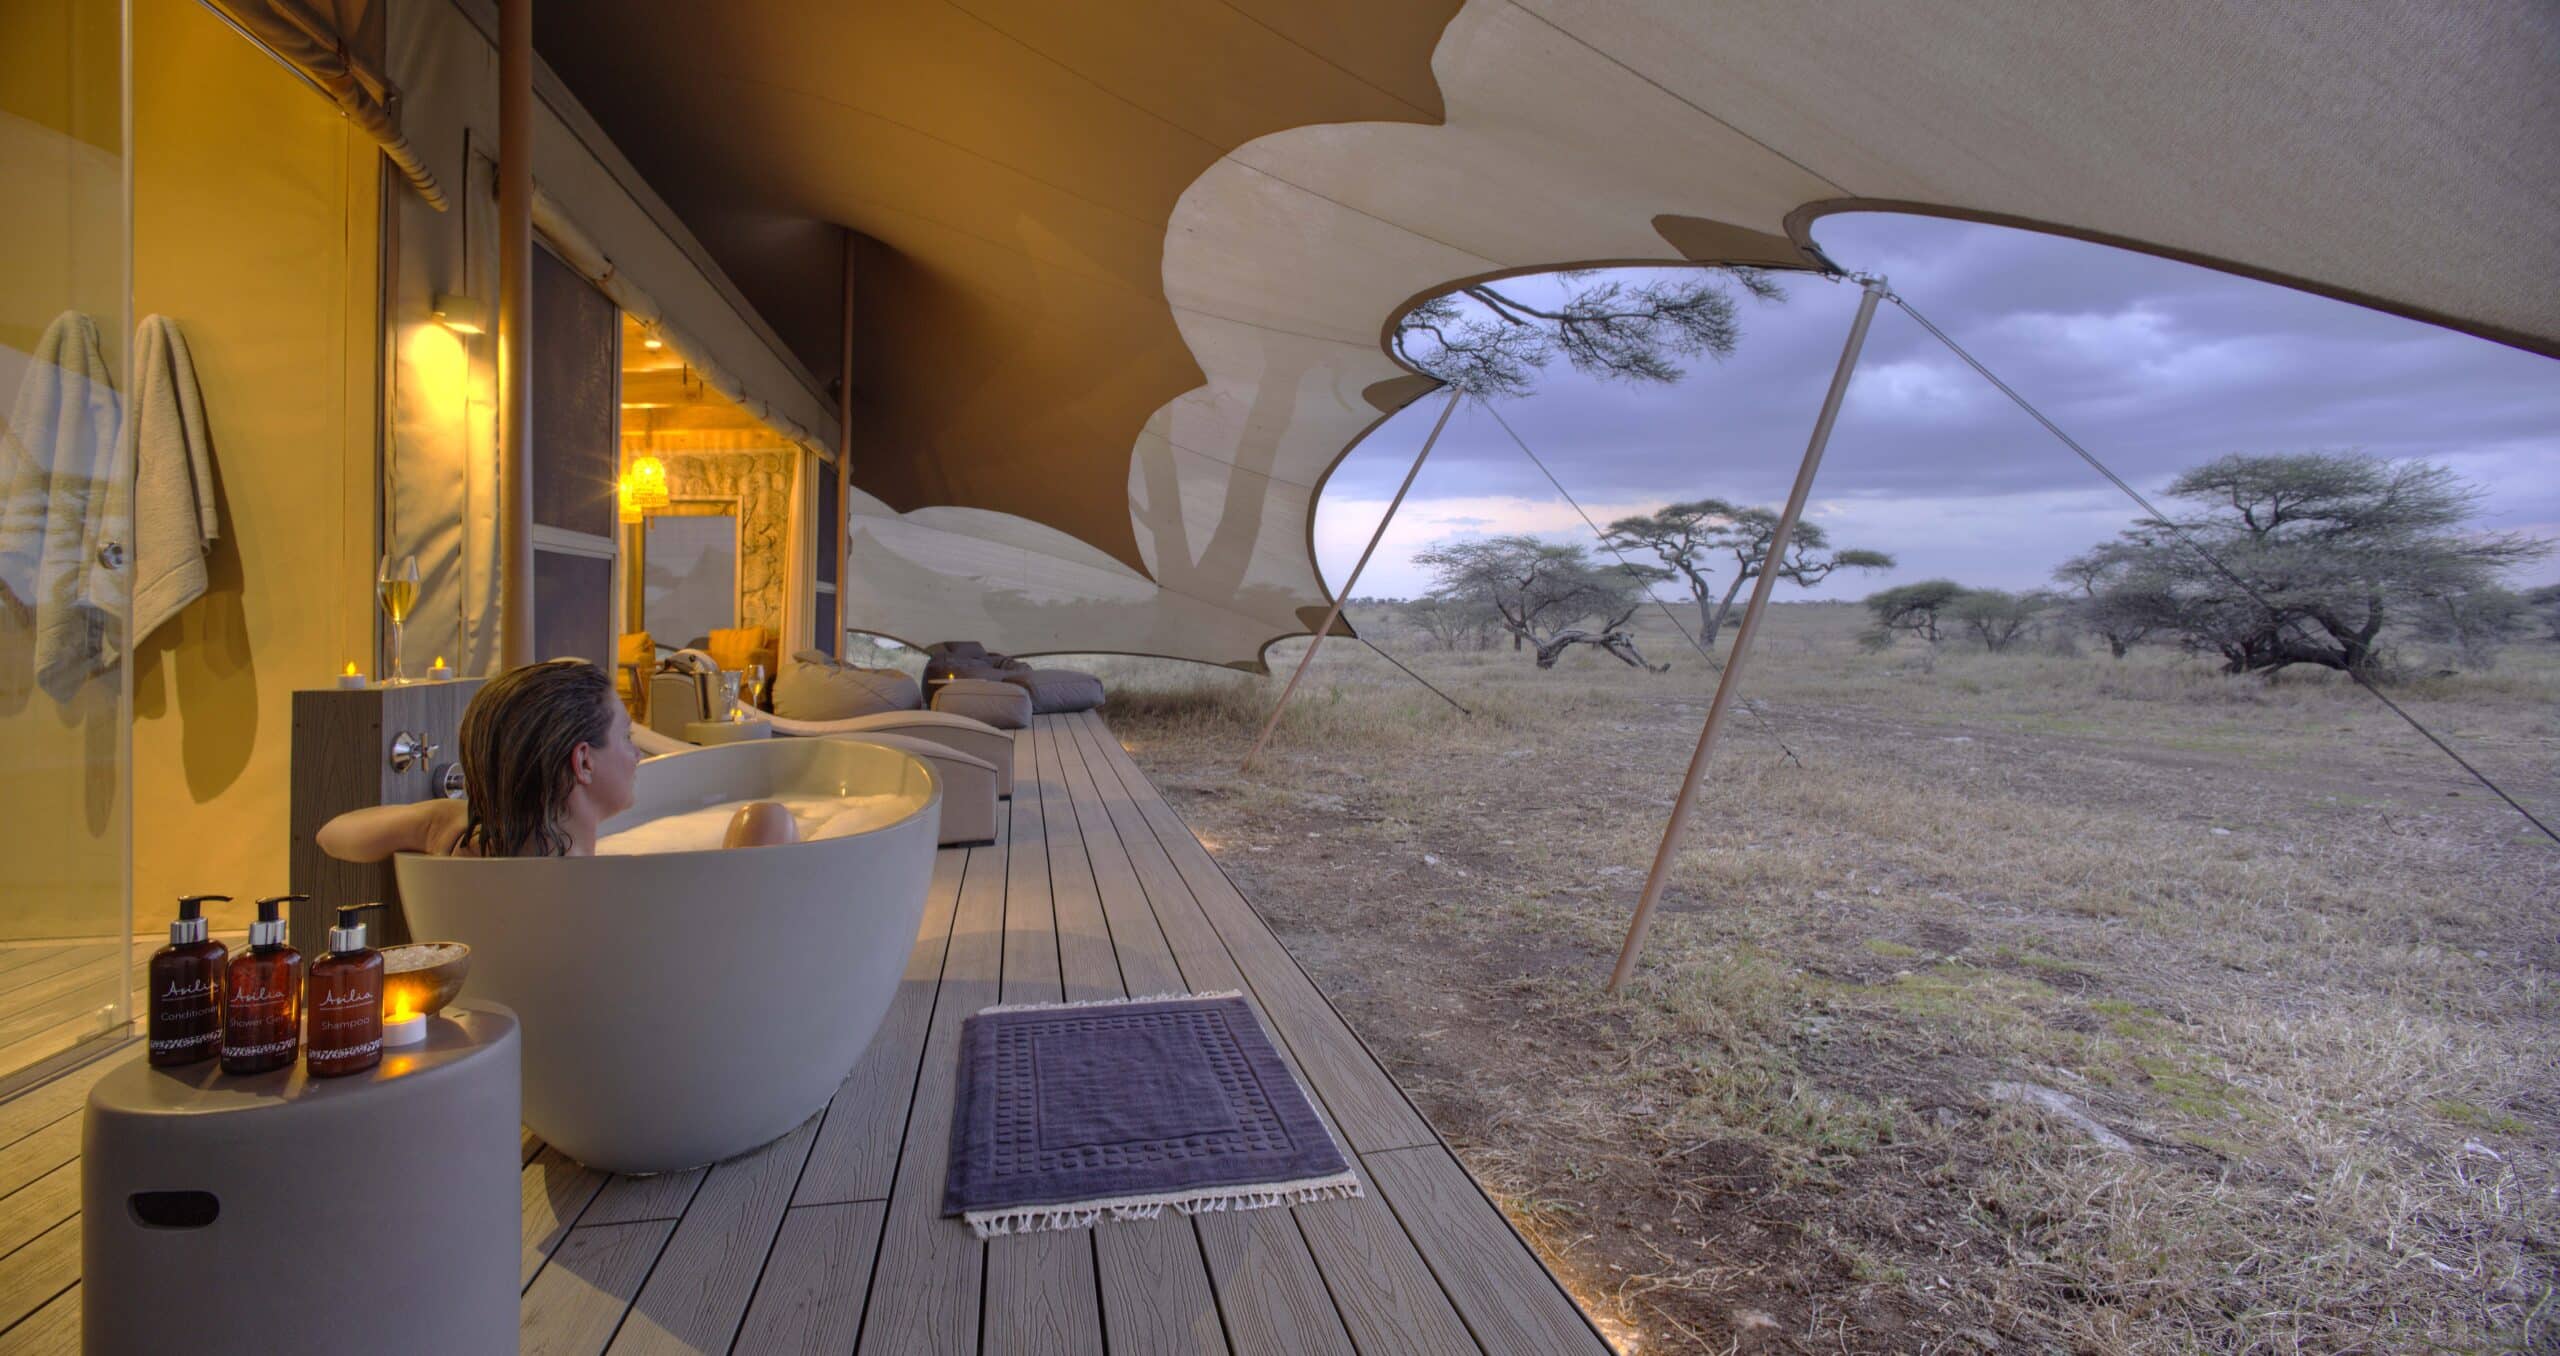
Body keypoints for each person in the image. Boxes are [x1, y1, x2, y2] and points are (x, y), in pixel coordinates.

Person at [318, 658, 795, 860]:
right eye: (626, 738)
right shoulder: (615, 886)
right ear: (583, 762)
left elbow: (333, 834)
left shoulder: (462, 842)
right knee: (767, 819)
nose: (635, 756)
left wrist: (439, 822)